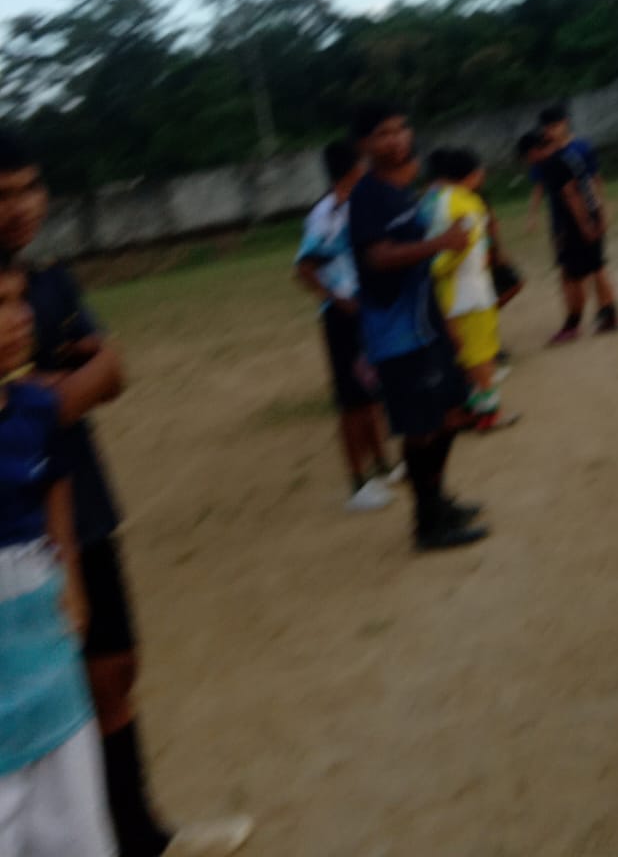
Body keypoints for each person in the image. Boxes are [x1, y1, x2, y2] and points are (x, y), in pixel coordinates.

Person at [0, 128, 253, 857]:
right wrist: (78, 377)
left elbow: (106, 376)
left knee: (114, 668)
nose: (22, 207)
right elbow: (50, 399)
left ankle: (137, 832)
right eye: (3, 196)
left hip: (78, 499)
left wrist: (79, 375)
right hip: (19, 528)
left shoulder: (50, 280)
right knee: (40, 697)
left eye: (30, 188)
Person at [0, 263, 116, 857]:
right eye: (0, 305)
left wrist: (71, 583)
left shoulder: (35, 410)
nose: (20, 318)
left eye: (19, 301)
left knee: (77, 827)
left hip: (45, 650)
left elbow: (57, 495)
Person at [347, 103, 489, 553]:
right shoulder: (367, 196)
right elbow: (378, 257)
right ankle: (427, 524)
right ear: (364, 145)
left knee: (452, 415)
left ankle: (438, 501)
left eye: (401, 130)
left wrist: (447, 325)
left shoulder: (402, 191)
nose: (396, 139)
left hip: (428, 325)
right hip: (398, 336)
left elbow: (420, 270)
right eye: (383, 133)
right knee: (421, 428)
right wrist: (443, 242)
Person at [295, 140, 400, 513]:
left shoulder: (355, 205)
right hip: (343, 316)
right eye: (363, 165)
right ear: (352, 170)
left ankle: (382, 464)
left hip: (365, 309)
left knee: (370, 393)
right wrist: (339, 300)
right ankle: (357, 484)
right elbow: (303, 269)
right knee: (352, 402)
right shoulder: (326, 215)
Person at [424, 149, 517, 433]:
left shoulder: (438, 199)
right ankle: (490, 412)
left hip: (456, 290)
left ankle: (474, 407)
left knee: (467, 354)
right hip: (467, 291)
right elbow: (462, 245)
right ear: (472, 174)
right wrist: (436, 269)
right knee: (479, 354)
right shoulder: (464, 202)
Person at [537, 104, 618, 345]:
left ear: (565, 123)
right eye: (547, 128)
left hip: (582, 217)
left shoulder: (581, 148)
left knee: (590, 268)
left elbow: (594, 180)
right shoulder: (547, 156)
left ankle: (586, 319)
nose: (551, 131)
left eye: (555, 125)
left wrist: (601, 210)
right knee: (575, 270)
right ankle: (599, 314)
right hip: (561, 219)